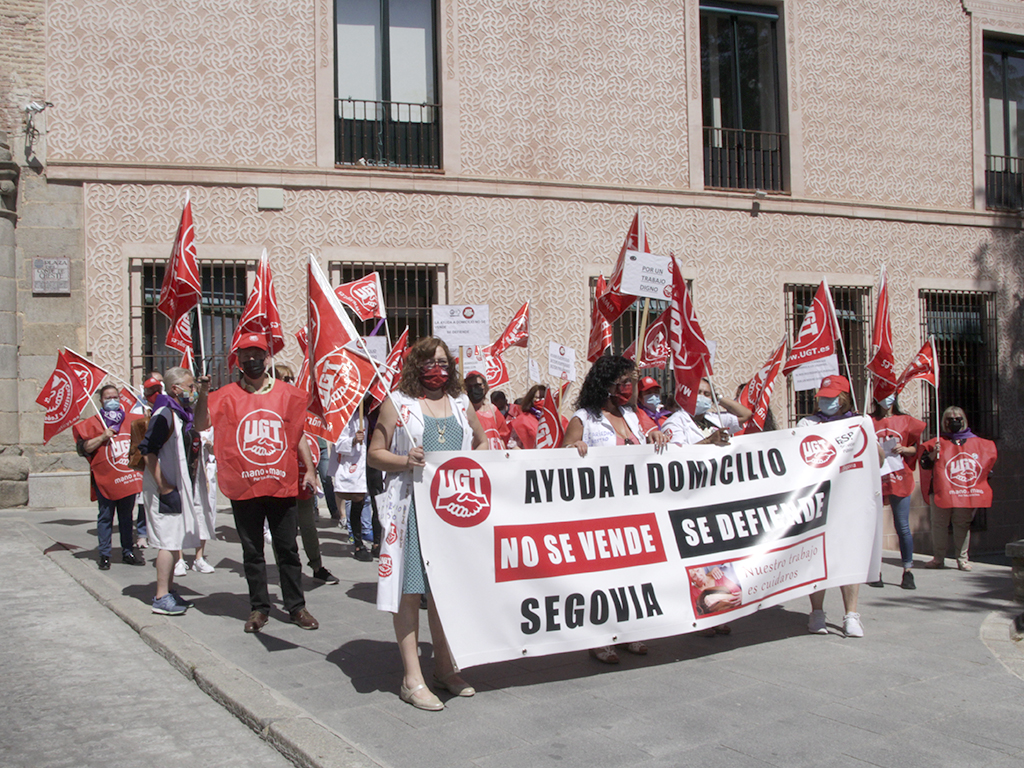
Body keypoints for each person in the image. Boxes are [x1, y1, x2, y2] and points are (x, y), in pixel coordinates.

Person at [368, 336, 487, 711]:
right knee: (410, 590)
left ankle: (445, 668)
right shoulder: (398, 404)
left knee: (446, 590)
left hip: (452, 511)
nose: (438, 368)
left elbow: (483, 443)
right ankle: (411, 677)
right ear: (416, 366)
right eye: (429, 361)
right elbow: (375, 454)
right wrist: (405, 461)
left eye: (443, 361)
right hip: (413, 510)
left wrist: (471, 463)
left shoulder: (461, 403)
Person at [198, 333, 319, 634]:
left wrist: (311, 469)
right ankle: (259, 608)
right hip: (244, 485)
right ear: (237, 360)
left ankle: (296, 606)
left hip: (280, 484)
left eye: (257, 355)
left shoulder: (287, 394)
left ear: (268, 358)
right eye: (245, 355)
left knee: (287, 548)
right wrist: (202, 394)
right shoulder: (224, 396)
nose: (251, 361)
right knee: (252, 551)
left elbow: (298, 434)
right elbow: (201, 424)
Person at [563, 355, 668, 663]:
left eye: (631, 382)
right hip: (598, 512)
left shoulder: (632, 416)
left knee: (632, 574)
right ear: (605, 385)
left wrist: (656, 436)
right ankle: (599, 638)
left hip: (633, 509)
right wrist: (573, 450)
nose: (629, 388)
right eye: (623, 382)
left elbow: (648, 441)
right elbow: (560, 462)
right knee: (602, 577)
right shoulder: (583, 418)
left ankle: (629, 632)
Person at [797, 375, 880, 638]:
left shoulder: (859, 422)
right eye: (823, 396)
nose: (825, 401)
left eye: (831, 397)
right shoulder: (807, 422)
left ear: (843, 399)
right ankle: (817, 613)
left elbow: (877, 457)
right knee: (816, 555)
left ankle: (851, 615)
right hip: (818, 499)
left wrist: (866, 431)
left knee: (849, 555)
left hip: (849, 498)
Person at [138, 367, 211, 615]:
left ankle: (169, 591)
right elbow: (147, 450)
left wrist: (204, 393)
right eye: (190, 387)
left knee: (174, 539)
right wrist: (163, 485)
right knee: (167, 541)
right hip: (165, 488)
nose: (192, 391)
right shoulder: (164, 413)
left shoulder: (181, 413)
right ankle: (161, 596)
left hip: (177, 487)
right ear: (175, 388)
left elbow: (202, 424)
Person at [73, 383, 147, 570]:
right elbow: (83, 449)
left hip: (125, 477)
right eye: (108, 398)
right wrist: (102, 437)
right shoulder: (94, 423)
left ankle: (127, 551)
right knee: (105, 516)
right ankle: (104, 555)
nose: (112, 401)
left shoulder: (130, 420)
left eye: (115, 397)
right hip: (105, 479)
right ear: (101, 400)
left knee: (126, 517)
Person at [920, 407, 997, 572]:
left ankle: (962, 560)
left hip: (964, 491)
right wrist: (934, 454)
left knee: (962, 524)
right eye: (949, 418)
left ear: (964, 420)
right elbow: (924, 464)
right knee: (939, 525)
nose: (954, 421)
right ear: (944, 422)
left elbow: (984, 465)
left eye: (958, 418)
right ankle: (938, 559)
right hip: (941, 491)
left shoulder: (977, 442)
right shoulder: (937, 442)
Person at [870, 392, 925, 589]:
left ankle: (907, 571)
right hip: (876, 478)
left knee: (902, 526)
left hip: (900, 478)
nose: (887, 399)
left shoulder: (906, 420)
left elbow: (916, 449)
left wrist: (904, 449)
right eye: (883, 394)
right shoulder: (869, 421)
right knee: (874, 526)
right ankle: (875, 570)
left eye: (891, 394)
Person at [330, 407, 373, 561]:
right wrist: (354, 440)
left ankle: (376, 543)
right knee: (358, 501)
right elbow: (339, 444)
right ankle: (357, 542)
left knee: (375, 499)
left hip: (374, 461)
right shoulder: (346, 415)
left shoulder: (373, 411)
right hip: (356, 464)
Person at [133, 370, 165, 549]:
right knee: (143, 499)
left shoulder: (167, 403)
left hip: (163, 458)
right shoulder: (138, 406)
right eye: (153, 387)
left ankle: (159, 533)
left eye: (160, 385)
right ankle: (143, 532)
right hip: (146, 459)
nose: (157, 391)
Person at [465, 372, 511, 449]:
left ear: (484, 387)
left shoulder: (492, 409)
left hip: (495, 457)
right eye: (470, 386)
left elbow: (503, 436)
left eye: (477, 385)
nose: (473, 389)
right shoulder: (464, 412)